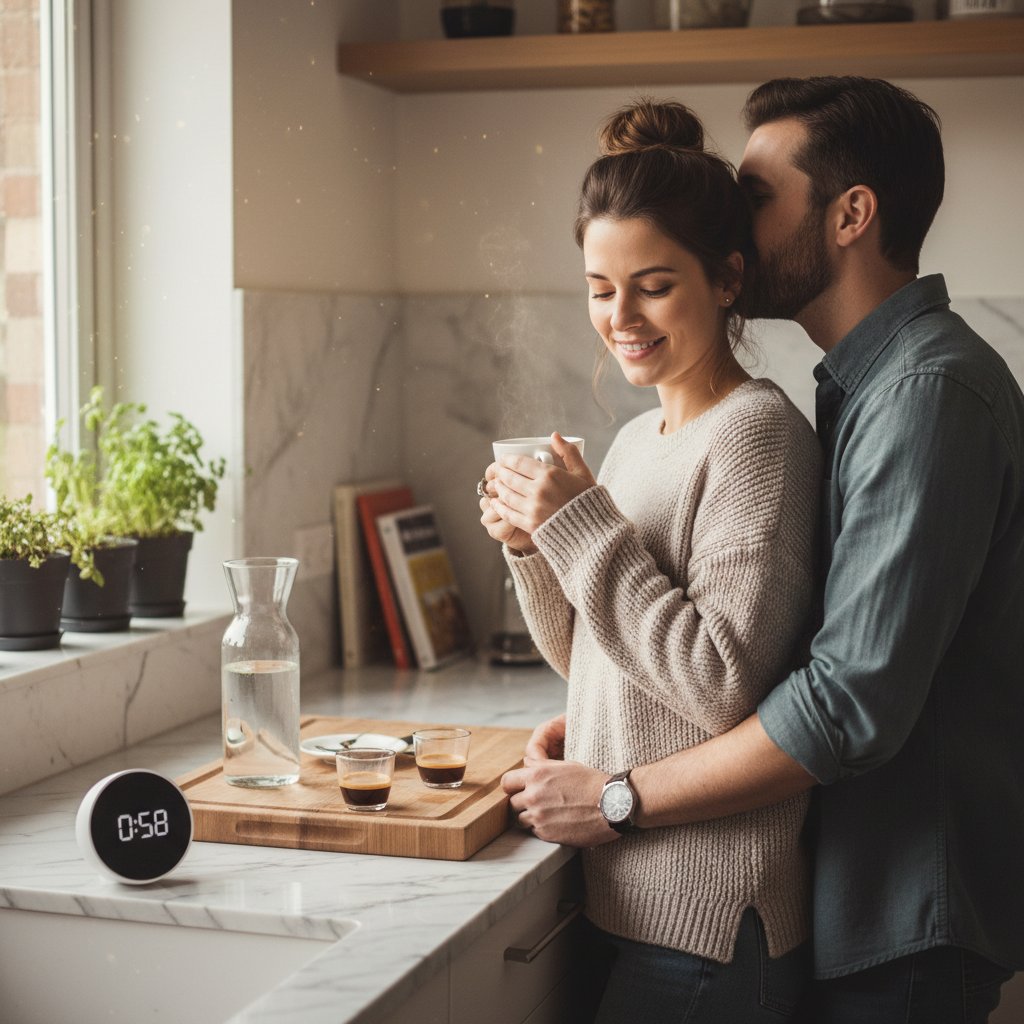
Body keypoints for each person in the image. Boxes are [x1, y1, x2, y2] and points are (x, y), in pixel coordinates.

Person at [501, 77, 1024, 1023]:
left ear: (851, 214)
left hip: (908, 903)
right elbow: (658, 656)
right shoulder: (863, 389)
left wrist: (616, 795)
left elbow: (840, 702)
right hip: (856, 892)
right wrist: (592, 699)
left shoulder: (924, 395)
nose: (733, 221)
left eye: (757, 195)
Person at [478, 98, 823, 1021]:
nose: (620, 316)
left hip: (712, 924)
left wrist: (582, 525)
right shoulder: (637, 441)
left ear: (726, 279)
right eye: (600, 287)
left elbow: (718, 682)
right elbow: (595, 656)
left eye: (654, 285)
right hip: (629, 898)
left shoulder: (757, 438)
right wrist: (536, 546)